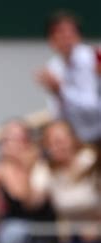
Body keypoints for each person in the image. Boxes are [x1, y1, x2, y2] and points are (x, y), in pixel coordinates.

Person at [27, 121, 101, 243]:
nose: (57, 147)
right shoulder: (47, 170)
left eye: (60, 141)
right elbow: (32, 202)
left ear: (73, 139)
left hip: (96, 229)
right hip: (73, 236)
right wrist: (32, 164)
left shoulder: (92, 160)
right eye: (51, 143)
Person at [37, 10, 101, 183]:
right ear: (52, 41)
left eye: (70, 33)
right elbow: (57, 114)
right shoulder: (54, 66)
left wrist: (61, 90)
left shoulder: (95, 58)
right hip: (78, 144)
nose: (66, 38)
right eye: (59, 34)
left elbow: (94, 107)